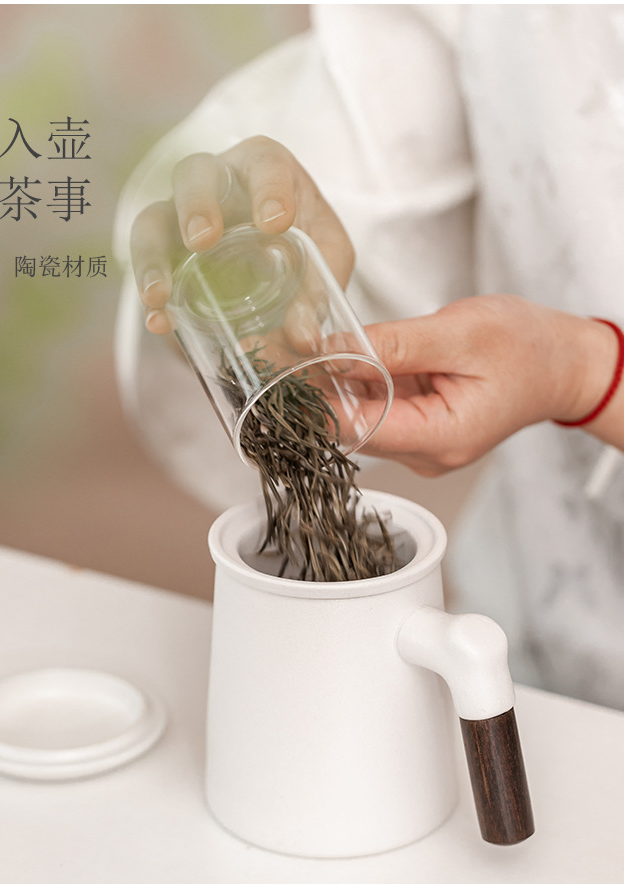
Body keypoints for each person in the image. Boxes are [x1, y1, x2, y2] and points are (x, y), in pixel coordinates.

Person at [113, 4, 624, 709]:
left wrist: (585, 375)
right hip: (527, 639)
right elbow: (375, 184)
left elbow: (571, 368)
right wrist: (248, 270)